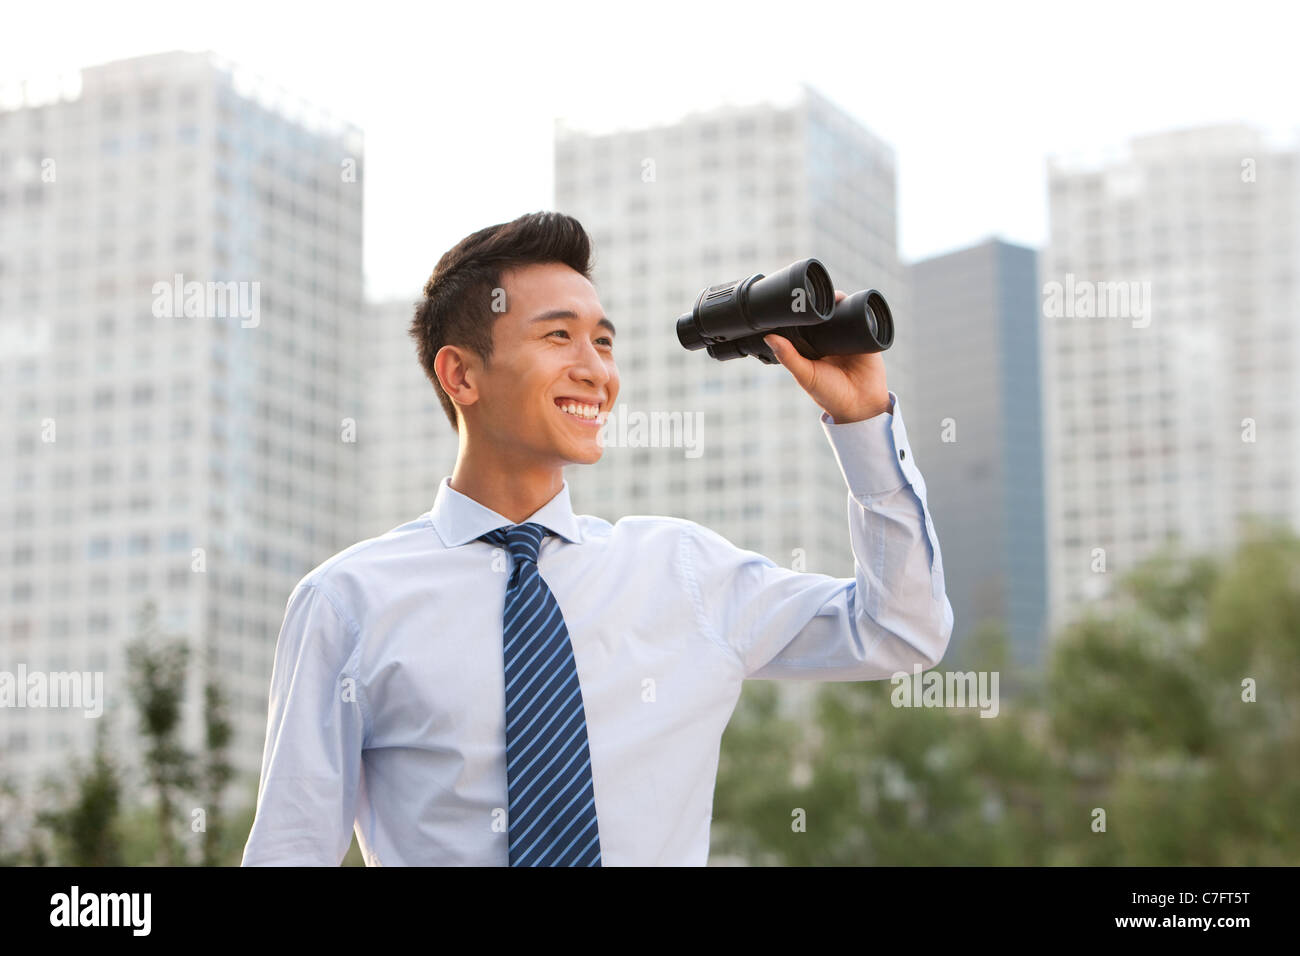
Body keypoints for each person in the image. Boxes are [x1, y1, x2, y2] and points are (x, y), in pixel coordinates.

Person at [241, 211, 953, 866]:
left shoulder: (682, 572)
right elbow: (290, 849)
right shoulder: (348, 603)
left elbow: (901, 630)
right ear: (461, 373)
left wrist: (865, 426)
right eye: (559, 336)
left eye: (603, 342)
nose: (597, 371)